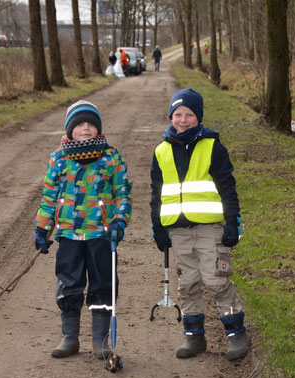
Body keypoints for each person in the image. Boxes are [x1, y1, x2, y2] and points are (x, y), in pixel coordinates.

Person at [149, 88, 249, 361]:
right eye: (178, 114)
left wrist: (233, 222)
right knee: (188, 283)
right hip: (178, 231)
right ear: (171, 116)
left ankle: (235, 333)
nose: (183, 120)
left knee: (216, 280)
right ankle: (194, 337)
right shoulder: (161, 151)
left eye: (189, 114)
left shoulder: (212, 146)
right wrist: (158, 228)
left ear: (198, 116)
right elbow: (156, 193)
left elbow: (227, 187)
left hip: (210, 229)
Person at [34, 100, 132, 360]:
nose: (86, 128)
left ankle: (101, 340)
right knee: (69, 282)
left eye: (90, 124)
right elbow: (49, 197)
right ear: (70, 130)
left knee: (103, 284)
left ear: (98, 129)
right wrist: (42, 228)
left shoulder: (111, 157)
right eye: (79, 125)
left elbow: (123, 192)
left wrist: (120, 221)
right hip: (68, 233)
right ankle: (70, 337)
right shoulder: (59, 159)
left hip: (102, 233)